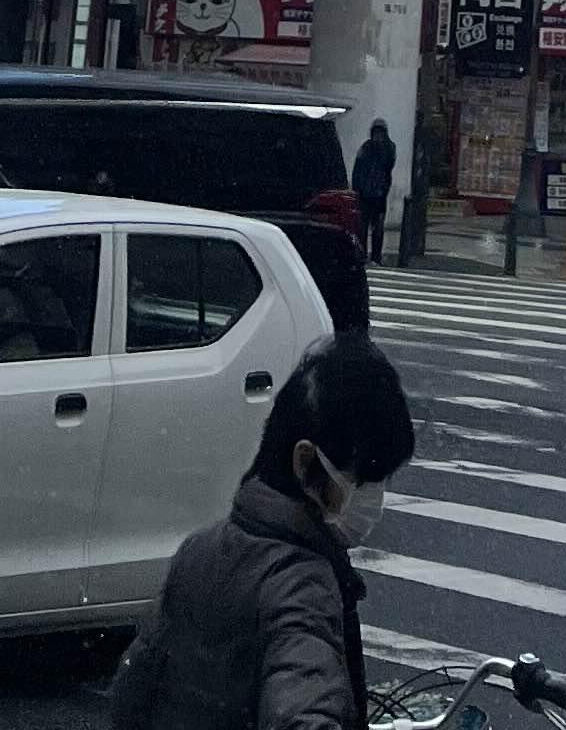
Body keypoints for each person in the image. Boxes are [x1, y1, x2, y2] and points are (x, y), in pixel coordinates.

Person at [112, 334, 416, 730]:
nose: (373, 498)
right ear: (305, 461)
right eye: (361, 480)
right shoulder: (301, 586)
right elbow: (302, 707)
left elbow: (132, 691)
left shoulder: (199, 550)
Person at [350, 118, 396, 265]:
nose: (378, 136)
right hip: (368, 194)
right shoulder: (369, 148)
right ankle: (365, 255)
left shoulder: (385, 148)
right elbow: (357, 171)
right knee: (364, 228)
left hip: (378, 195)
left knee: (376, 228)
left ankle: (374, 256)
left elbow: (387, 168)